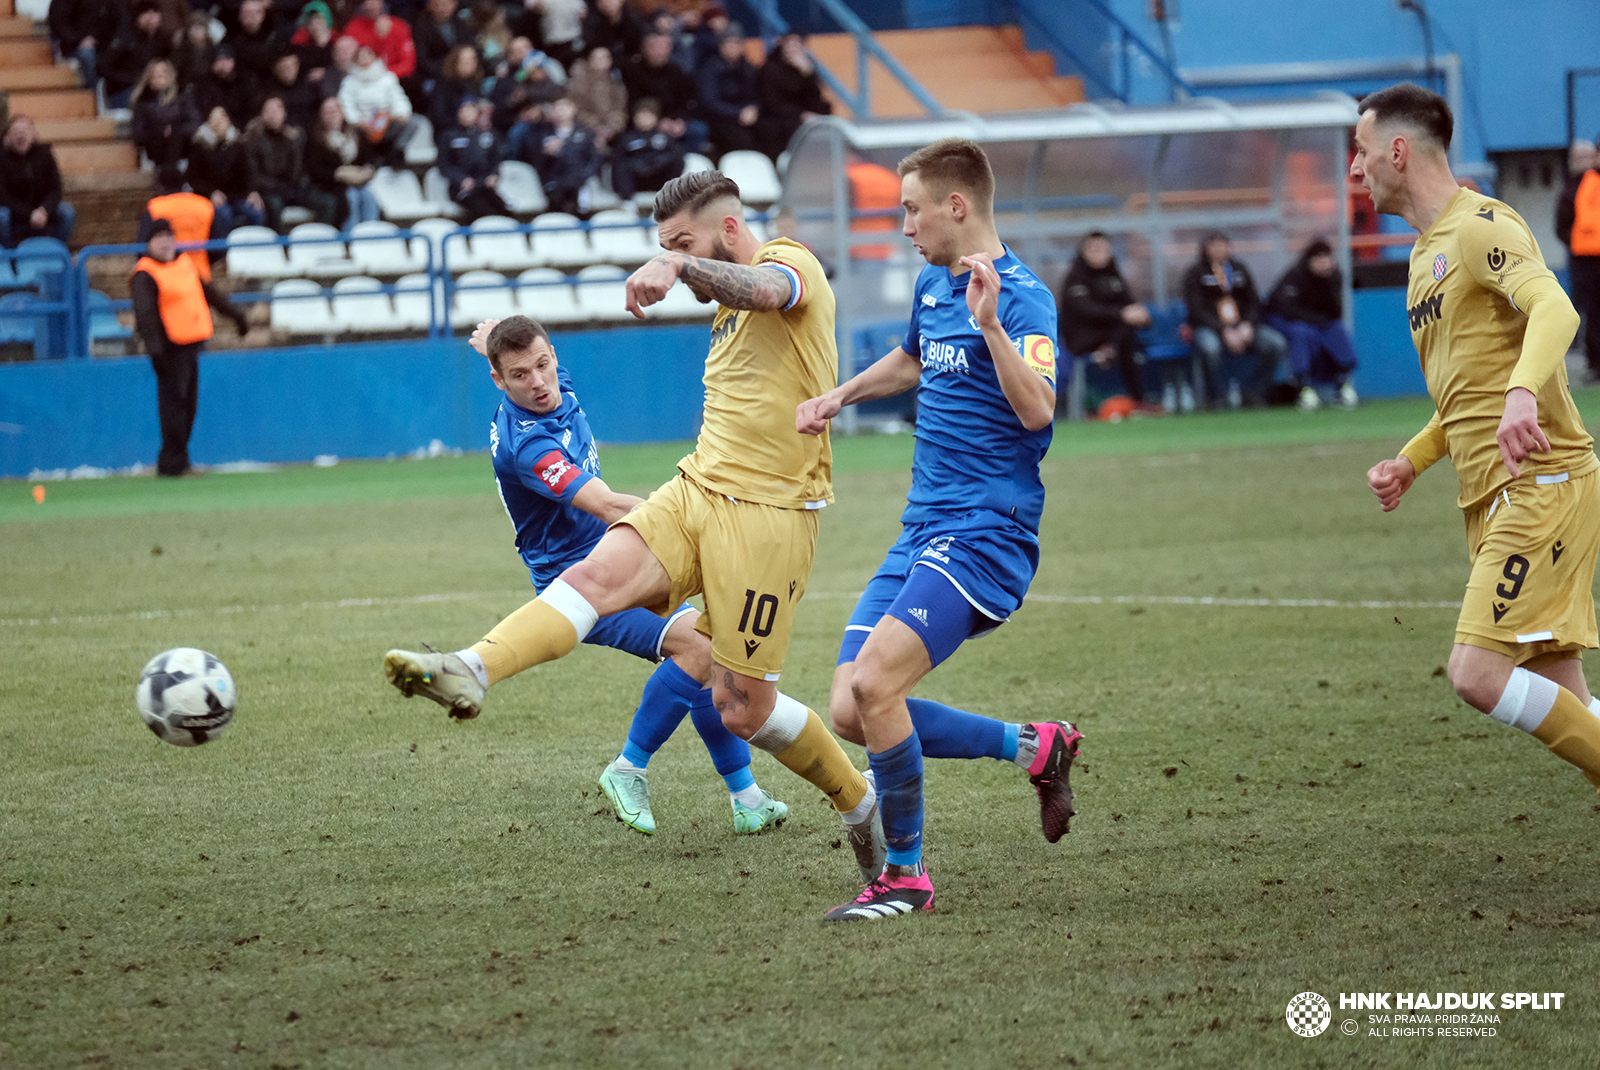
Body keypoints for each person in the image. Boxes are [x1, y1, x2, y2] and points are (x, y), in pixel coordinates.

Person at [383, 169, 888, 887]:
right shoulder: (722, 308)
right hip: (697, 488)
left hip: (772, 518)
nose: (674, 263)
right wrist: (680, 262)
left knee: (743, 708)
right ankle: (472, 668)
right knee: (592, 576)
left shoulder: (788, 263)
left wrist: (679, 263)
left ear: (729, 231)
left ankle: (860, 802)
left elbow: (770, 291)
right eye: (666, 247)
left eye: (683, 241)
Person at [795, 138, 1079, 922]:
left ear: (958, 206)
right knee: (852, 709)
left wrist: (989, 327)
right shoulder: (930, 284)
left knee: (877, 684)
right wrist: (836, 399)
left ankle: (906, 874)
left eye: (912, 208)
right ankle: (1035, 747)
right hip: (924, 525)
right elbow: (912, 361)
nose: (905, 223)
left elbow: (1039, 411)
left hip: (989, 528)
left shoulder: (1021, 297)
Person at [1357, 83, 1600, 803]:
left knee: (1476, 673)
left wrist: (1525, 392)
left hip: (1540, 482)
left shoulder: (1481, 225)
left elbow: (1555, 306)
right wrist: (1412, 460)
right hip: (1494, 493)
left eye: (1361, 151)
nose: (1354, 168)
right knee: (1567, 699)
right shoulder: (1423, 256)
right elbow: (1467, 396)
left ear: (1398, 151)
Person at [456, 313, 789, 835]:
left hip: (613, 559)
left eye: (543, 365)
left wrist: (493, 340)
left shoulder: (547, 385)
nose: (539, 381)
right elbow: (608, 504)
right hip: (580, 581)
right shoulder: (531, 449)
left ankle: (747, 799)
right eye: (520, 375)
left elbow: (520, 357)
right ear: (499, 382)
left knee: (708, 650)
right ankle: (628, 768)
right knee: (701, 649)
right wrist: (698, 523)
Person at [131, 219, 249, 477]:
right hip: (168, 349)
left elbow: (209, 293)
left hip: (191, 345)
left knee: (188, 406)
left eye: (168, 236)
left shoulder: (184, 264)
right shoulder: (145, 273)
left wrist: (236, 315)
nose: (165, 242)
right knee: (173, 407)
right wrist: (155, 350)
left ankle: (180, 459)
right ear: (149, 244)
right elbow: (145, 315)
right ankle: (172, 463)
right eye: (158, 237)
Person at [1181, 230, 1286, 408]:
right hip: (1210, 327)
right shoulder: (1195, 273)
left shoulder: (1239, 269)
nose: (1220, 249)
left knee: (1276, 344)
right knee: (1210, 347)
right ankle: (1215, 397)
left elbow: (1254, 301)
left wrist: (1248, 325)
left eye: (1223, 245)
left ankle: (1254, 392)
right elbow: (1196, 310)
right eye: (1214, 245)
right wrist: (1224, 330)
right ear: (1205, 249)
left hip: (1242, 326)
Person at [1057, 231, 1154, 409]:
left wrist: (1141, 314)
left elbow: (1126, 300)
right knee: (1125, 329)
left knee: (1128, 333)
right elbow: (1085, 310)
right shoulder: (1075, 277)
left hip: (1112, 334)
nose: (1099, 253)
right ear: (1083, 251)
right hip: (1082, 337)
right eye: (1094, 249)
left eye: (1103, 249)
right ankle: (1137, 398)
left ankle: (1137, 399)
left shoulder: (1113, 273)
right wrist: (1122, 314)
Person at [1266, 237, 1359, 410]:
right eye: (1319, 259)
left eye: (1327, 258)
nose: (1324, 263)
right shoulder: (1295, 276)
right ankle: (1304, 386)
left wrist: (1327, 282)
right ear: (1310, 260)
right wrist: (1316, 321)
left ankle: (1342, 383)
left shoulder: (1334, 277)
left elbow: (1335, 311)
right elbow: (1287, 310)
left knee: (1336, 328)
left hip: (1318, 322)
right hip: (1283, 320)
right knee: (1302, 333)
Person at [1556, 138, 1599, 383]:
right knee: (1586, 310)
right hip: (1583, 259)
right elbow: (1561, 224)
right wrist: (1577, 242)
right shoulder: (1573, 188)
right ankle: (1593, 361)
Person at [621, 31, 703, 156]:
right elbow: (633, 104)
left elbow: (685, 101)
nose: (660, 52)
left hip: (674, 120)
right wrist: (658, 121)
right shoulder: (632, 71)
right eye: (656, 47)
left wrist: (680, 120)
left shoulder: (675, 71)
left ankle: (687, 165)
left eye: (664, 48)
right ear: (645, 48)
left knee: (699, 130)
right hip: (646, 121)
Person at [305, 95, 381, 229]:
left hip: (358, 182)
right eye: (327, 112)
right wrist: (339, 173)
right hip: (331, 186)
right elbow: (314, 170)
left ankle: (371, 235)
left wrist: (367, 171)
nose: (331, 115)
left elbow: (369, 159)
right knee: (351, 198)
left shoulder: (356, 134)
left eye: (335, 111)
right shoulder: (315, 138)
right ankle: (349, 238)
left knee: (369, 197)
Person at [189, 105, 267, 232]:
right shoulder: (199, 146)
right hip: (210, 196)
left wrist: (252, 191)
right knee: (223, 215)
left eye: (222, 118)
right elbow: (192, 178)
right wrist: (211, 193)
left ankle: (256, 249)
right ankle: (223, 251)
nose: (218, 122)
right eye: (214, 119)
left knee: (256, 212)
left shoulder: (239, 145)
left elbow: (248, 172)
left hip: (237, 195)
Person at [0, 116, 75, 248]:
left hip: (43, 213)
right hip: (16, 215)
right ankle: (11, 259)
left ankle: (55, 253)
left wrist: (44, 210)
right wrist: (29, 214)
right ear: (8, 137)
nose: (20, 136)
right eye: (16, 132)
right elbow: (4, 197)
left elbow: (55, 190)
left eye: (25, 132)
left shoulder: (45, 155)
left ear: (33, 135)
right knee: (2, 217)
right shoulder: (2, 159)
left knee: (67, 212)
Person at [337, 44, 416, 167]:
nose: (364, 60)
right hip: (363, 124)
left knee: (412, 124)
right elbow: (346, 104)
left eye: (367, 56)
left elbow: (398, 99)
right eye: (360, 57)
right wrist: (359, 121)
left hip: (387, 120)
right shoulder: (349, 82)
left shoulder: (388, 78)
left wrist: (400, 114)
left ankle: (396, 154)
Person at [754, 31, 828, 161]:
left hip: (800, 114)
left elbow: (815, 99)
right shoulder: (770, 68)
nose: (793, 48)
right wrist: (800, 115)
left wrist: (808, 75)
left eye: (797, 44)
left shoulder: (805, 68)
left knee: (826, 118)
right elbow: (771, 103)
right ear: (783, 45)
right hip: (776, 116)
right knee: (792, 128)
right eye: (790, 44)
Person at [522, 96, 599, 216]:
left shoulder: (585, 133)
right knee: (557, 203)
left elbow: (594, 159)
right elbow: (535, 163)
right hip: (554, 183)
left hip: (578, 181)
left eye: (564, 108)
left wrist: (583, 175)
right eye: (557, 108)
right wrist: (545, 153)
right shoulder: (543, 133)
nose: (560, 112)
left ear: (573, 109)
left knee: (578, 205)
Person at [438, 98, 508, 222]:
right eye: (464, 111)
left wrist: (494, 175)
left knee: (503, 210)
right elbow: (444, 165)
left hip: (484, 186)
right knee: (481, 209)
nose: (468, 114)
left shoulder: (485, 135)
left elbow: (494, 160)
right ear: (458, 113)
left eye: (471, 111)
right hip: (462, 188)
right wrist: (460, 179)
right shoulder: (448, 136)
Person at [695, 23, 758, 159]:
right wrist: (738, 113)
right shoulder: (710, 68)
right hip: (718, 118)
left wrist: (754, 109)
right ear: (721, 46)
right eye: (729, 44)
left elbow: (756, 94)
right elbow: (709, 102)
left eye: (737, 44)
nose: (733, 48)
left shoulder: (747, 68)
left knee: (767, 130)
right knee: (741, 139)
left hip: (745, 115)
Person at [99, 0, 171, 109]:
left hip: (151, 88)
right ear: (138, 17)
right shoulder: (125, 37)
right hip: (123, 90)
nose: (150, 18)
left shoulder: (162, 39)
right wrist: (130, 79)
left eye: (154, 13)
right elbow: (103, 67)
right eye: (146, 13)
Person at [610, 98, 685, 201]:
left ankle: (668, 197)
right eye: (641, 115)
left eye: (649, 115)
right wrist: (637, 165)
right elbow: (618, 160)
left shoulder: (664, 137)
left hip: (658, 177)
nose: (645, 119)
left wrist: (659, 162)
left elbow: (676, 155)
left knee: (676, 160)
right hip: (636, 179)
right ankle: (627, 203)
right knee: (622, 166)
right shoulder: (627, 138)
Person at [131, 59, 201, 169]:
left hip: (181, 144)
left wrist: (175, 129)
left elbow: (194, 122)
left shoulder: (183, 96)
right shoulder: (143, 100)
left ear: (170, 74)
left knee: (175, 139)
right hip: (154, 145)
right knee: (162, 141)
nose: (159, 76)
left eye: (163, 72)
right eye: (155, 73)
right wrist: (159, 131)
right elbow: (138, 132)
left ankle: (170, 174)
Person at [566, 45, 628, 151]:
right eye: (597, 58)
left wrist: (611, 127)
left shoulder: (616, 83)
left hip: (613, 130)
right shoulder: (577, 84)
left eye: (605, 57)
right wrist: (597, 127)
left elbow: (621, 109)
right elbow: (577, 110)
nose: (601, 61)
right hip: (585, 130)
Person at [341, 0, 416, 81]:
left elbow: (408, 64)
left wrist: (383, 76)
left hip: (395, 79)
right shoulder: (352, 28)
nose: (373, 4)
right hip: (362, 80)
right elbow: (346, 61)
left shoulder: (399, 26)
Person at [194, 46, 257, 129]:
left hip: (238, 128)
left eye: (226, 60)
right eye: (218, 61)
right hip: (212, 127)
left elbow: (249, 111)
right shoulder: (206, 84)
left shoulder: (244, 81)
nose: (223, 65)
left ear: (233, 62)